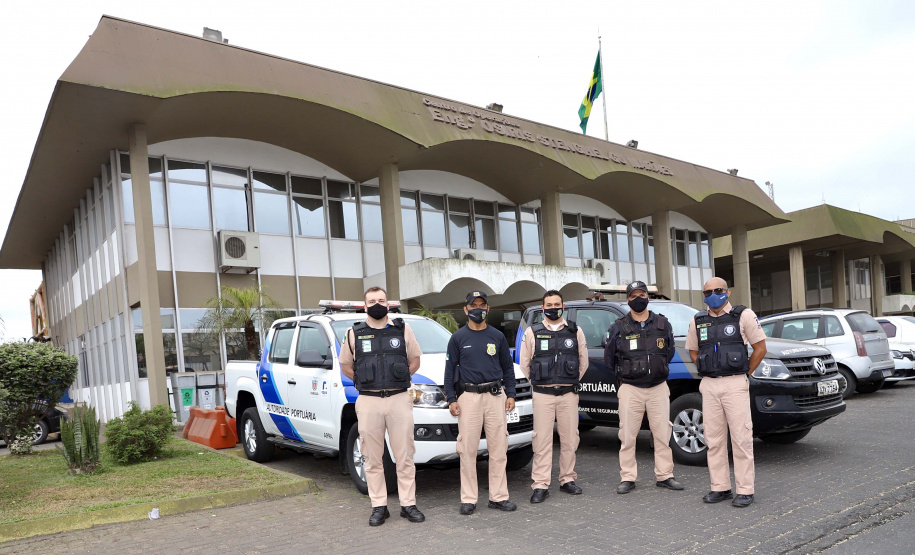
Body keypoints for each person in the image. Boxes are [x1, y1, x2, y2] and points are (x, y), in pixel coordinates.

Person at [339, 287, 425, 526]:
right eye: (372, 301)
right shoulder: (353, 333)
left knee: (405, 456)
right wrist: (364, 380)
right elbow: (346, 366)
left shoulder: (403, 329)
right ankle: (379, 506)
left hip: (399, 399)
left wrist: (399, 377)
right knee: (372, 457)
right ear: (365, 306)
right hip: (369, 401)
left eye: (381, 300)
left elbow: (415, 360)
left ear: (388, 304)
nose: (376, 304)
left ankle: (408, 505)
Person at [685, 277, 767, 508]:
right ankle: (720, 487)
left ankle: (745, 490)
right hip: (709, 385)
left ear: (727, 292)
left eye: (718, 290)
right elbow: (693, 351)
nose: (713, 295)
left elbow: (760, 348)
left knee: (741, 438)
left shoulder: (743, 315)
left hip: (734, 384)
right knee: (714, 440)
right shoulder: (698, 320)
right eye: (707, 292)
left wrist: (745, 373)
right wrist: (708, 367)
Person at [604, 281, 683, 495]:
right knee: (627, 436)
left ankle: (665, 475)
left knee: (662, 434)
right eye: (633, 296)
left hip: (658, 387)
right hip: (631, 388)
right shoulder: (618, 326)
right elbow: (609, 359)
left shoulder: (662, 323)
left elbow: (668, 352)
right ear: (628, 300)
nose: (638, 299)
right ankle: (628, 477)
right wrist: (624, 378)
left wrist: (655, 369)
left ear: (648, 297)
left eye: (642, 295)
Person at [444, 291, 518, 515]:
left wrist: (511, 394)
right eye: (473, 305)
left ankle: (498, 496)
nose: (478, 309)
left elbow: (508, 367)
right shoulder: (458, 338)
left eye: (482, 305)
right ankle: (469, 499)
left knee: (499, 448)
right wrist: (451, 398)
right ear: (466, 309)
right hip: (469, 397)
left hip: (495, 396)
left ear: (488, 308)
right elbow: (449, 371)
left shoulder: (497, 336)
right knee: (468, 450)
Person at [519, 289, 589, 503]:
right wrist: (541, 383)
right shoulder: (533, 331)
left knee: (570, 439)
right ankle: (540, 484)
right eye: (549, 305)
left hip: (568, 394)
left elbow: (583, 362)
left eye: (557, 304)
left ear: (563, 307)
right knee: (542, 441)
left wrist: (568, 381)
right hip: (543, 394)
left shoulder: (575, 331)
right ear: (543, 308)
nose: (553, 308)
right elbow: (524, 364)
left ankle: (567, 479)